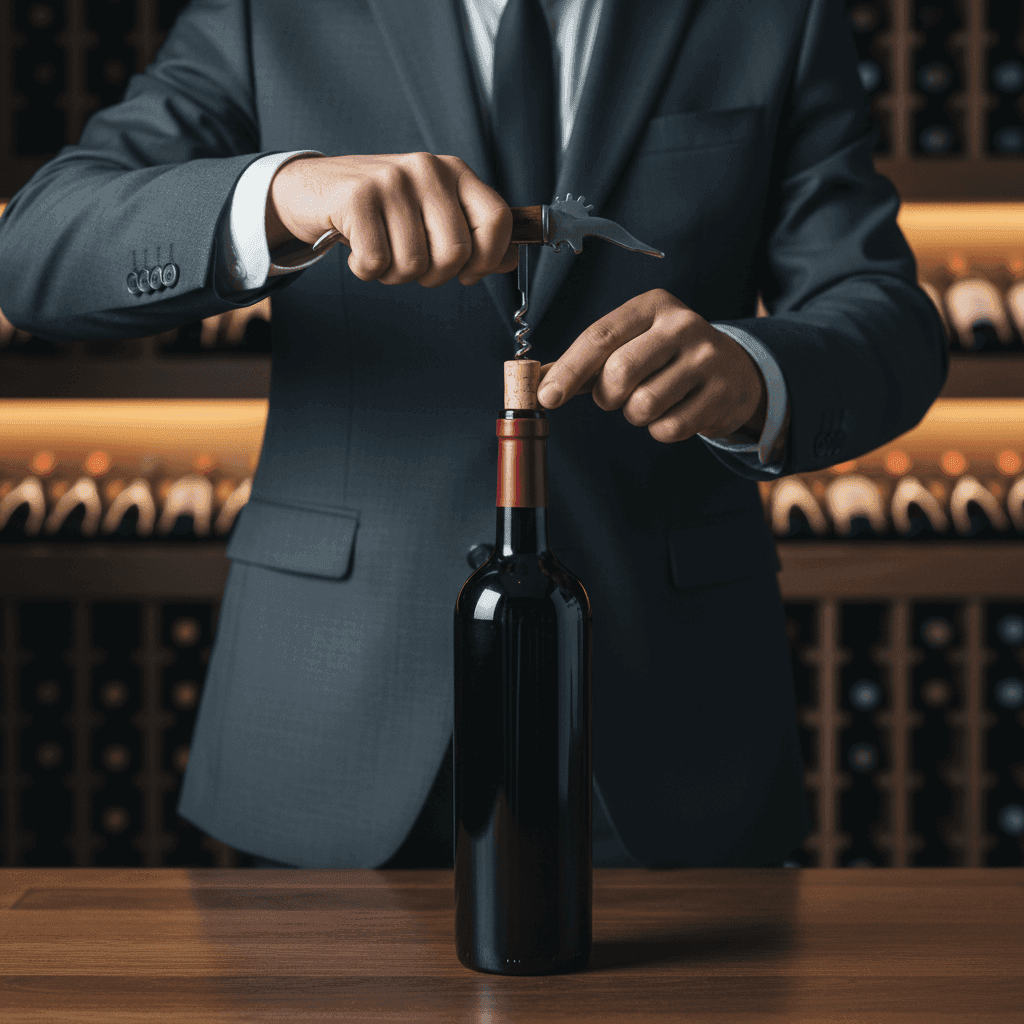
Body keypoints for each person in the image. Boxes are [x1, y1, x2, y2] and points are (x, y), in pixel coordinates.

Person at [0, 0, 947, 870]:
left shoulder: (773, 14)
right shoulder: (267, 9)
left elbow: (890, 318)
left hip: (668, 724)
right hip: (327, 719)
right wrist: (281, 194)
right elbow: (36, 247)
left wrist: (754, 370)